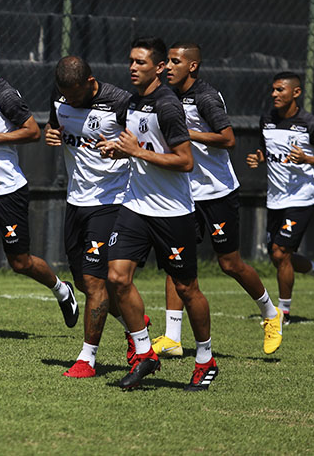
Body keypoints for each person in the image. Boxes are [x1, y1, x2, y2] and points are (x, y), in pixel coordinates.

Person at [97, 37, 217, 391]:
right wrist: (118, 149)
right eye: (130, 61)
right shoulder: (133, 101)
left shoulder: (168, 105)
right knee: (117, 278)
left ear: (160, 67)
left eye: (140, 62)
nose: (132, 67)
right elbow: (138, 145)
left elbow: (185, 161)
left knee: (187, 288)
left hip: (172, 212)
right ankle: (146, 353)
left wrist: (137, 151)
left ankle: (206, 358)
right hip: (135, 204)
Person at [149, 42, 283, 356]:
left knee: (230, 263)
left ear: (192, 66)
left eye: (175, 61)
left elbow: (228, 139)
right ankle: (172, 338)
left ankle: (270, 313)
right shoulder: (165, 96)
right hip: (184, 193)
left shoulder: (205, 97)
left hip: (217, 192)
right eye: (166, 61)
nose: (168, 66)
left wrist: (186, 133)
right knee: (175, 260)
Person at [0, 33, 78, 339]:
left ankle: (61, 288)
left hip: (7, 189)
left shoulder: (4, 93)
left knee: (20, 261)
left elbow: (32, 132)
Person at [46, 56, 150, 378]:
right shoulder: (60, 97)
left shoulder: (121, 103)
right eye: (66, 95)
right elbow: (55, 126)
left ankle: (86, 360)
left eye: (76, 96)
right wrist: (51, 134)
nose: (71, 102)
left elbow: (143, 144)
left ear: (90, 82)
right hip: (76, 200)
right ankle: (137, 326)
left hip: (111, 201)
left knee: (94, 282)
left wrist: (121, 148)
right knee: (82, 280)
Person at [246, 72, 314, 323]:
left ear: (296, 93)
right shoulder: (266, 119)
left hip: (300, 199)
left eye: (280, 90)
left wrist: (308, 158)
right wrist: (259, 158)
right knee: (279, 255)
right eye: (273, 90)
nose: (274, 94)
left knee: (280, 253)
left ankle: (283, 313)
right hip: (275, 199)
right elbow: (266, 152)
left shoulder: (311, 124)